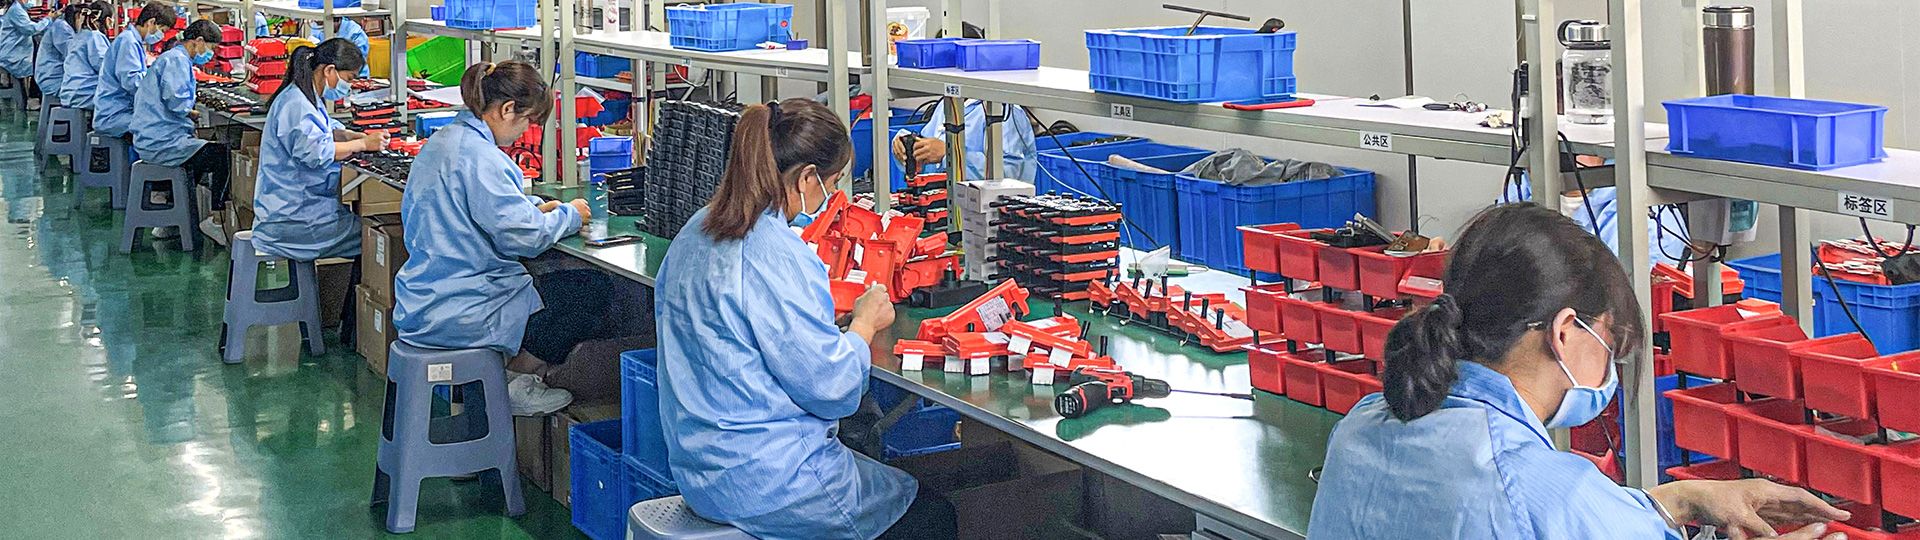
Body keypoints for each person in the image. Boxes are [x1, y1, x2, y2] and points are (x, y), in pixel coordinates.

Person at [1307, 203, 1852, 540]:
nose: (1610, 364)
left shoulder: (1363, 424)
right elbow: (1549, 511)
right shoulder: (1540, 489)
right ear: (1565, 332)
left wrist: (1680, 500)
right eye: (1609, 340)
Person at [655, 98, 956, 540]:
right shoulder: (777, 254)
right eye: (832, 183)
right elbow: (831, 390)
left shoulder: (696, 230)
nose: (831, 196)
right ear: (807, 177)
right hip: (770, 483)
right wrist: (862, 326)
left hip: (698, 469)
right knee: (932, 515)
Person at [390, 61, 590, 416]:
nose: (526, 131)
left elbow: (481, 207)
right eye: (528, 120)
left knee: (551, 286)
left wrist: (534, 208)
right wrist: (570, 215)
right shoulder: (482, 157)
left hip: (425, 295)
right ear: (507, 109)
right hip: (463, 305)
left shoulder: (444, 141)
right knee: (586, 292)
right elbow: (525, 238)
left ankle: (501, 378)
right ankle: (515, 380)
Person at [252, 38, 382, 262]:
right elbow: (316, 152)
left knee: (369, 232)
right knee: (377, 238)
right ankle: (361, 287)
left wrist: (349, 136)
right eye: (349, 79)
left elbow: (322, 130)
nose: (349, 86)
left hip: (300, 209)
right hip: (296, 219)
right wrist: (363, 144)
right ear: (329, 70)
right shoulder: (297, 104)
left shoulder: (305, 96)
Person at [132, 19, 232, 243]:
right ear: (199, 41)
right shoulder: (176, 60)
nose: (210, 54)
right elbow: (176, 102)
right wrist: (192, 112)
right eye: (211, 48)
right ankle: (217, 220)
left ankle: (171, 217)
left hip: (155, 138)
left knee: (197, 153)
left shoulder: (175, 58)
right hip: (161, 142)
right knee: (222, 156)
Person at [891, 99, 1037, 183]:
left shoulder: (1006, 113)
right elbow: (927, 153)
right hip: (944, 206)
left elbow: (1008, 177)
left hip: (989, 215)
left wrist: (950, 153)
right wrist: (907, 148)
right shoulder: (948, 103)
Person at [93, 2, 170, 142]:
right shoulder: (128, 42)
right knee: (161, 127)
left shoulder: (133, 41)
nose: (161, 36)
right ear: (151, 22)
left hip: (122, 109)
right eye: (162, 30)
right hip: (114, 115)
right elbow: (132, 83)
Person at [58, 1, 106, 111]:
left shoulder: (78, 36)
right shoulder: (93, 36)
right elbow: (104, 67)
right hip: (82, 94)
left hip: (70, 92)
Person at [0, 0, 51, 102]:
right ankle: (33, 97)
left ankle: (33, 96)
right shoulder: (16, 10)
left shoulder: (18, 8)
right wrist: (48, 19)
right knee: (40, 64)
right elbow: (31, 29)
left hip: (15, 51)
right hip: (12, 54)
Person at [31, 0, 72, 108]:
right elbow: (72, 55)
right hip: (53, 79)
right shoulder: (61, 27)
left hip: (51, 75)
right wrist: (48, 19)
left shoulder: (62, 26)